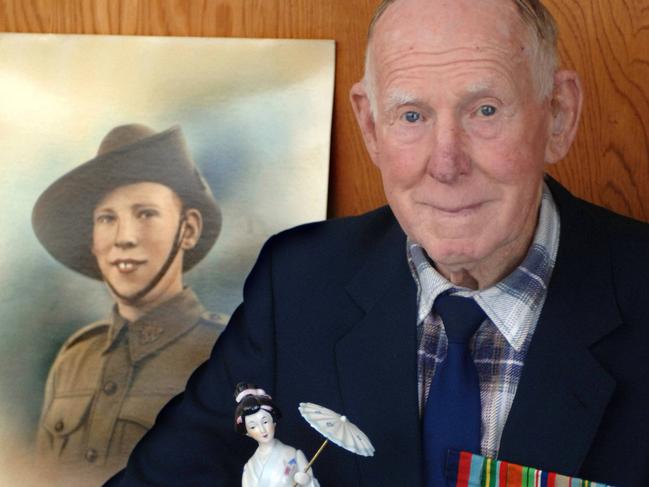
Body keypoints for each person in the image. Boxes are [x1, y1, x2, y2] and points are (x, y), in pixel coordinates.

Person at [107, 1, 649, 486]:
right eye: (412, 115)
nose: (445, 162)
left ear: (558, 114)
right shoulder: (297, 283)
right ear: (370, 125)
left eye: (485, 110)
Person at [32, 124, 228, 485]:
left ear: (188, 229)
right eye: (107, 219)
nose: (124, 238)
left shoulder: (227, 354)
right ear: (92, 239)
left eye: (146, 214)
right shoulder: (74, 360)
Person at [234, 384, 318, 487]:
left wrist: (307, 482)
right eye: (253, 426)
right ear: (247, 433)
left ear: (273, 422)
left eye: (265, 422)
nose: (262, 430)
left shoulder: (294, 455)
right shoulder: (249, 468)